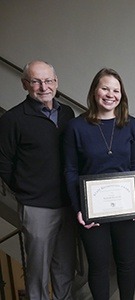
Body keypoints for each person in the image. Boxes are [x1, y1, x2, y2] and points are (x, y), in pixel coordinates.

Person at [64, 68, 135, 300]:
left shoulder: (131, 125)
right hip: (92, 209)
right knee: (98, 266)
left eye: (116, 90)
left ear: (122, 95)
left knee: (126, 263)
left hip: (126, 207)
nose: (111, 94)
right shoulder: (76, 127)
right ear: (94, 91)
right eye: (105, 88)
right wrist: (78, 207)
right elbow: (70, 170)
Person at [0, 60, 76, 299]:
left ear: (56, 82)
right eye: (36, 81)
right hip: (37, 208)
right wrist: (24, 189)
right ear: (25, 84)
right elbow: (3, 162)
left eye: (49, 80)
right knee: (37, 272)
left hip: (67, 203)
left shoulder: (67, 113)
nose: (44, 86)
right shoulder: (12, 119)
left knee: (65, 268)